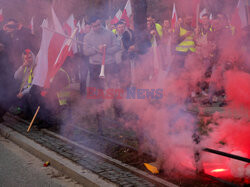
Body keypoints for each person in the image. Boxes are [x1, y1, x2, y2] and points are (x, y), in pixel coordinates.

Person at [83, 16, 120, 134]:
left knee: (114, 89)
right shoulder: (87, 37)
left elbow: (117, 46)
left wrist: (106, 50)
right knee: (96, 93)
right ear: (91, 26)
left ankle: (118, 114)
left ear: (101, 23)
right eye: (94, 26)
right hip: (95, 67)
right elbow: (86, 51)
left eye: (98, 25)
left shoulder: (109, 34)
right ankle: (99, 118)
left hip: (109, 65)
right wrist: (96, 50)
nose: (96, 28)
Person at [13, 49, 36, 117]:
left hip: (31, 90)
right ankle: (20, 110)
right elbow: (16, 77)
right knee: (11, 92)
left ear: (33, 57)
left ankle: (27, 113)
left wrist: (23, 93)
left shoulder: (35, 68)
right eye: (26, 58)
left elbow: (34, 86)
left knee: (27, 96)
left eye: (30, 58)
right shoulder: (25, 67)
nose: (28, 60)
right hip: (23, 88)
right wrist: (22, 67)